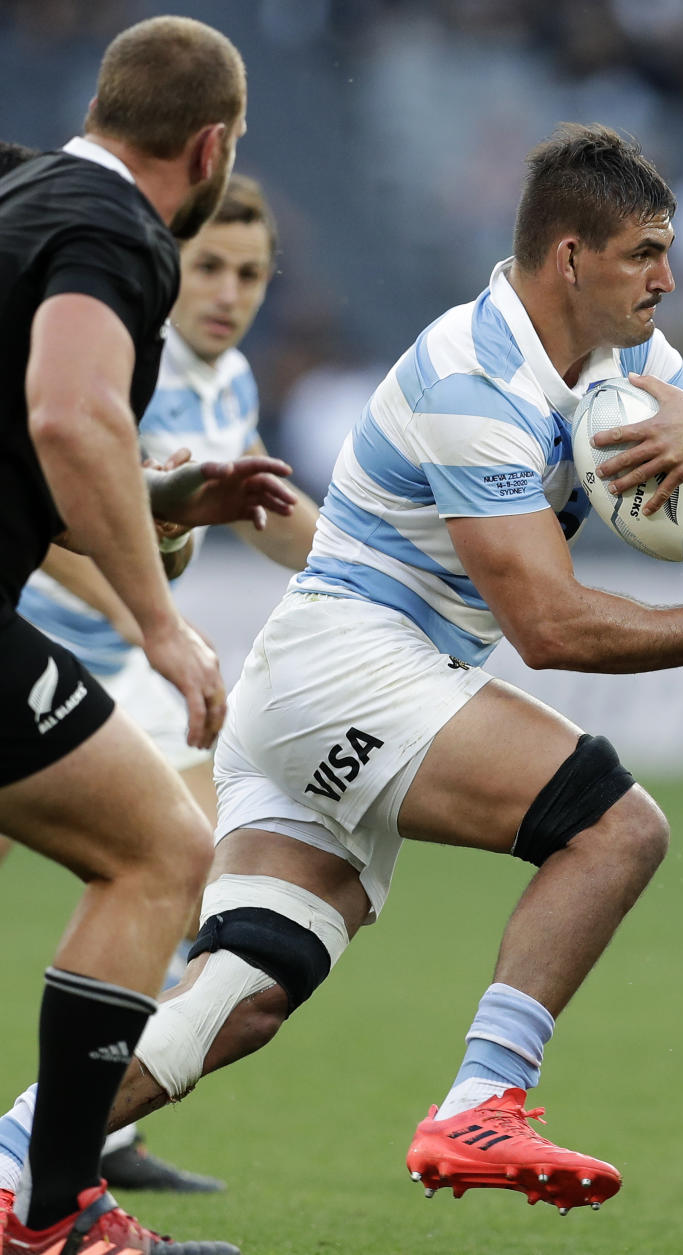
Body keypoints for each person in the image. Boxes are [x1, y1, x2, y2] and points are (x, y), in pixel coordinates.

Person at [4, 123, 683, 1220]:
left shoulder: (636, 361)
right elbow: (550, 626)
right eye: (646, 251)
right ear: (569, 258)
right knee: (615, 826)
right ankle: (485, 1098)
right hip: (349, 666)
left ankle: (17, 1158)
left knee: (244, 991)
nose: (668, 276)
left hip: (321, 678)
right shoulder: (472, 379)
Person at [0, 16, 299, 1255]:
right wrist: (165, 627)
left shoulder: (26, 187)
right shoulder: (118, 230)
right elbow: (69, 419)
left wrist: (171, 499)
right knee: (163, 851)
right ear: (214, 144)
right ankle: (59, 1213)